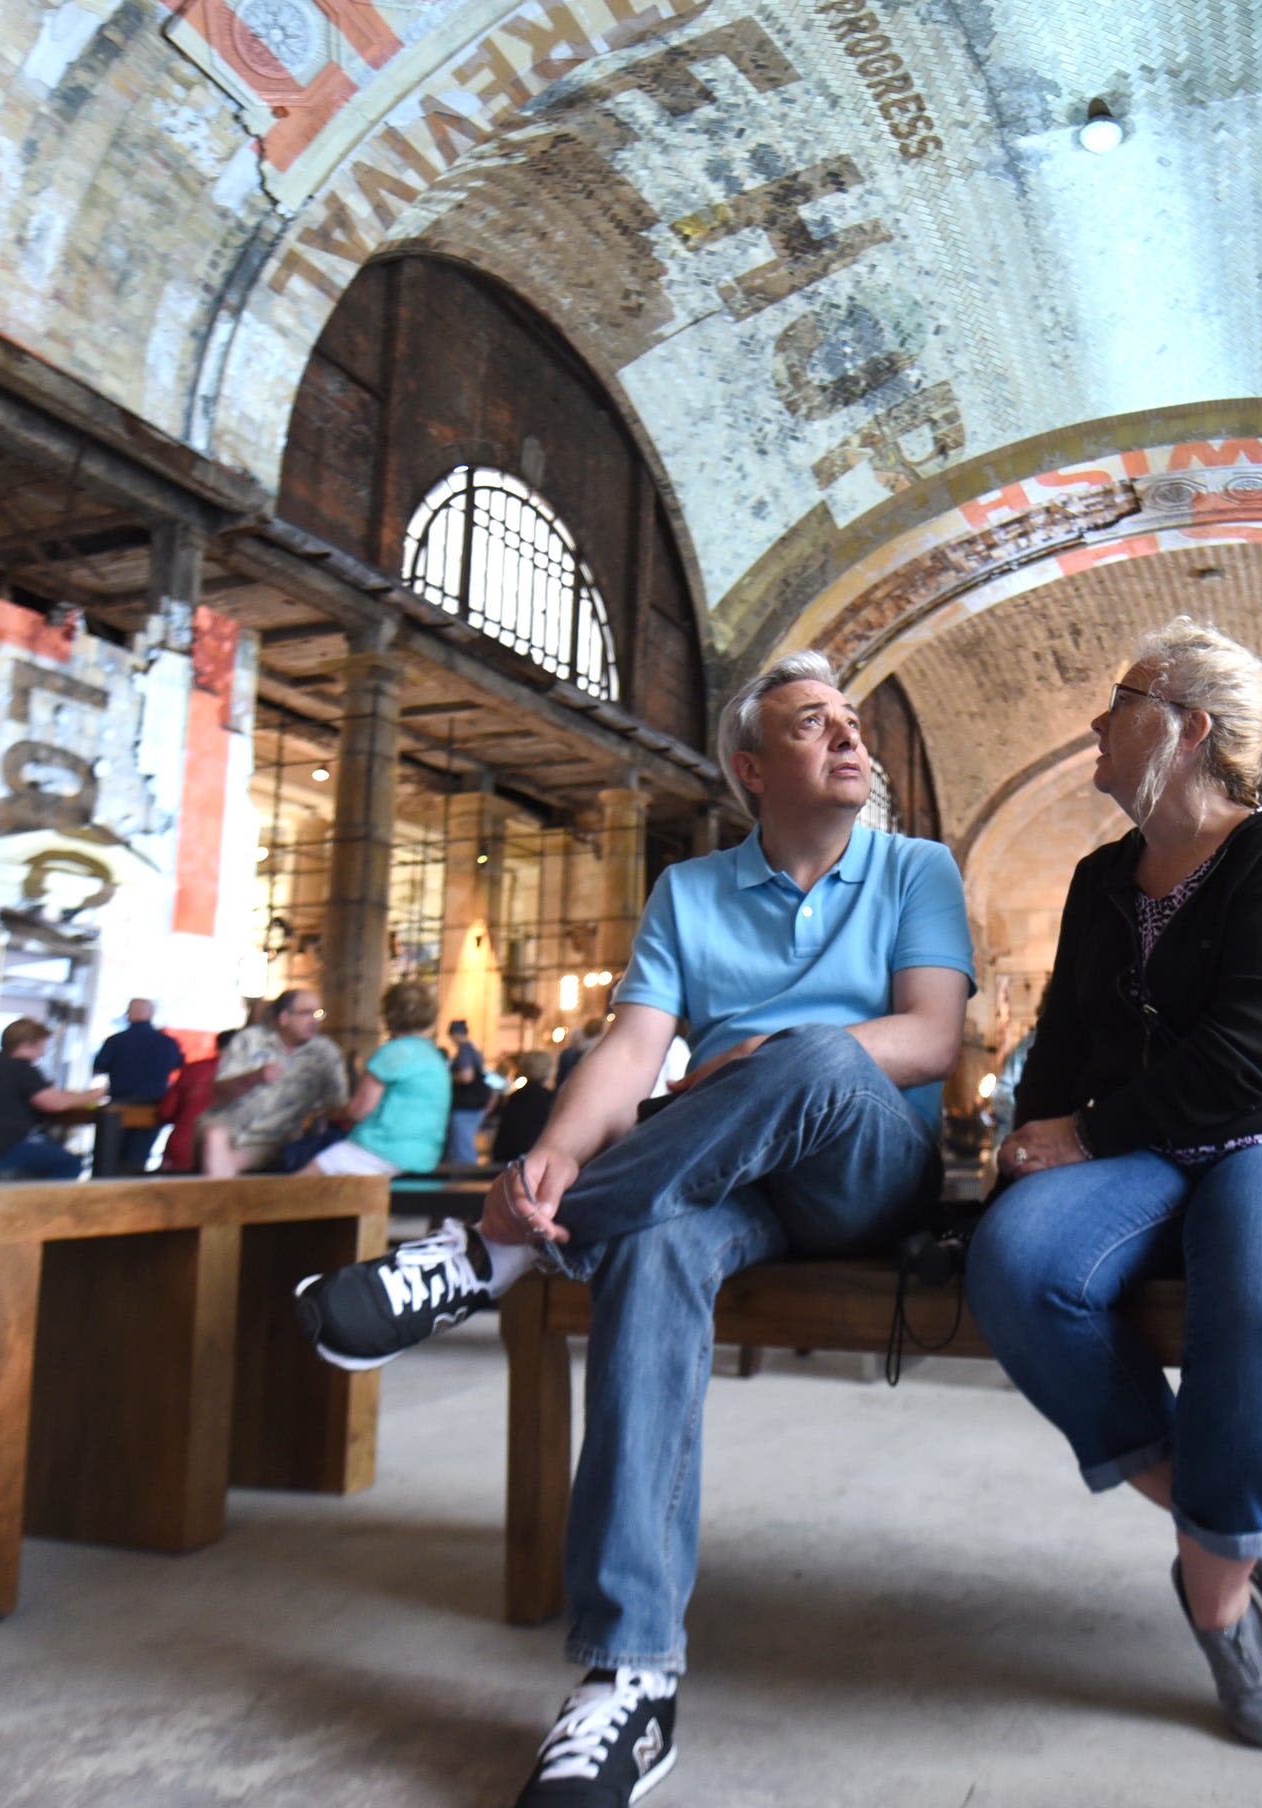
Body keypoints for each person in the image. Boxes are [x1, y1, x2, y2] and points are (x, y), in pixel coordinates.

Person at [291, 649, 971, 1808]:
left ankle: (484, 1256)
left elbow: (926, 1039)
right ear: (754, 768)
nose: (850, 736)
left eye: (851, 720)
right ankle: (631, 1678)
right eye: (816, 724)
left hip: (867, 1167)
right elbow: (630, 1049)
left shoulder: (916, 868)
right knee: (651, 1249)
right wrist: (552, 1152)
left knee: (808, 1054)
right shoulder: (689, 892)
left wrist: (777, 1055)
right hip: (720, 1176)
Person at [966, 618, 1262, 1751]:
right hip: (1150, 1150)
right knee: (1018, 1262)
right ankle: (1249, 1527)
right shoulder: (1100, 876)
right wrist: (1027, 1140)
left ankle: (1214, 1599)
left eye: (1117, 700)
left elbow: (1254, 1053)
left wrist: (1087, 1129)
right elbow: (1061, 1039)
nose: (1093, 724)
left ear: (1187, 726)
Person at [302, 982, 452, 1180]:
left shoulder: (392, 1053)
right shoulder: (434, 1057)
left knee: (301, 1181)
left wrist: (328, 1114)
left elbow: (358, 1111)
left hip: (383, 1149)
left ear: (389, 1014)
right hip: (425, 1155)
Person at [200, 988, 346, 1175]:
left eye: (318, 1014)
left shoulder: (325, 1053)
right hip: (228, 1127)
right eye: (306, 1013)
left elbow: (337, 1105)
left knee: (233, 1156)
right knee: (215, 1135)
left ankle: (220, 1202)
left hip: (277, 1138)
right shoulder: (250, 1040)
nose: (314, 1021)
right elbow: (218, 1092)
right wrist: (253, 1077)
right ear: (284, 1017)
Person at [0, 1017, 105, 1180]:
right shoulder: (20, 1068)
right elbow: (54, 1102)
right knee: (69, 1162)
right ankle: (42, 1205)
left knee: (46, 1152)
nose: (42, 1053)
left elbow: (50, 1095)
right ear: (27, 1044)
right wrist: (95, 1095)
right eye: (42, 1046)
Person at [89, 997, 184, 1175]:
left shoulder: (115, 1041)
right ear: (151, 1014)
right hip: (153, 1107)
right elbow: (177, 1065)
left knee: (109, 1158)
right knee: (138, 1158)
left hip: (118, 1107)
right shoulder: (168, 1043)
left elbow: (100, 1066)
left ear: (129, 1014)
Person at [152, 1027, 233, 1173]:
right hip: (230, 1153)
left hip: (183, 1146)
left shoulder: (194, 1069)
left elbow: (166, 1111)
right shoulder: (257, 1075)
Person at [446, 1018, 495, 1169]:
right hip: (473, 1105)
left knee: (462, 1147)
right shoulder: (473, 1050)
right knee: (463, 1144)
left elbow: (467, 1076)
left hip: (466, 1106)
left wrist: (448, 1076)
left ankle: (464, 1183)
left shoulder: (465, 1051)